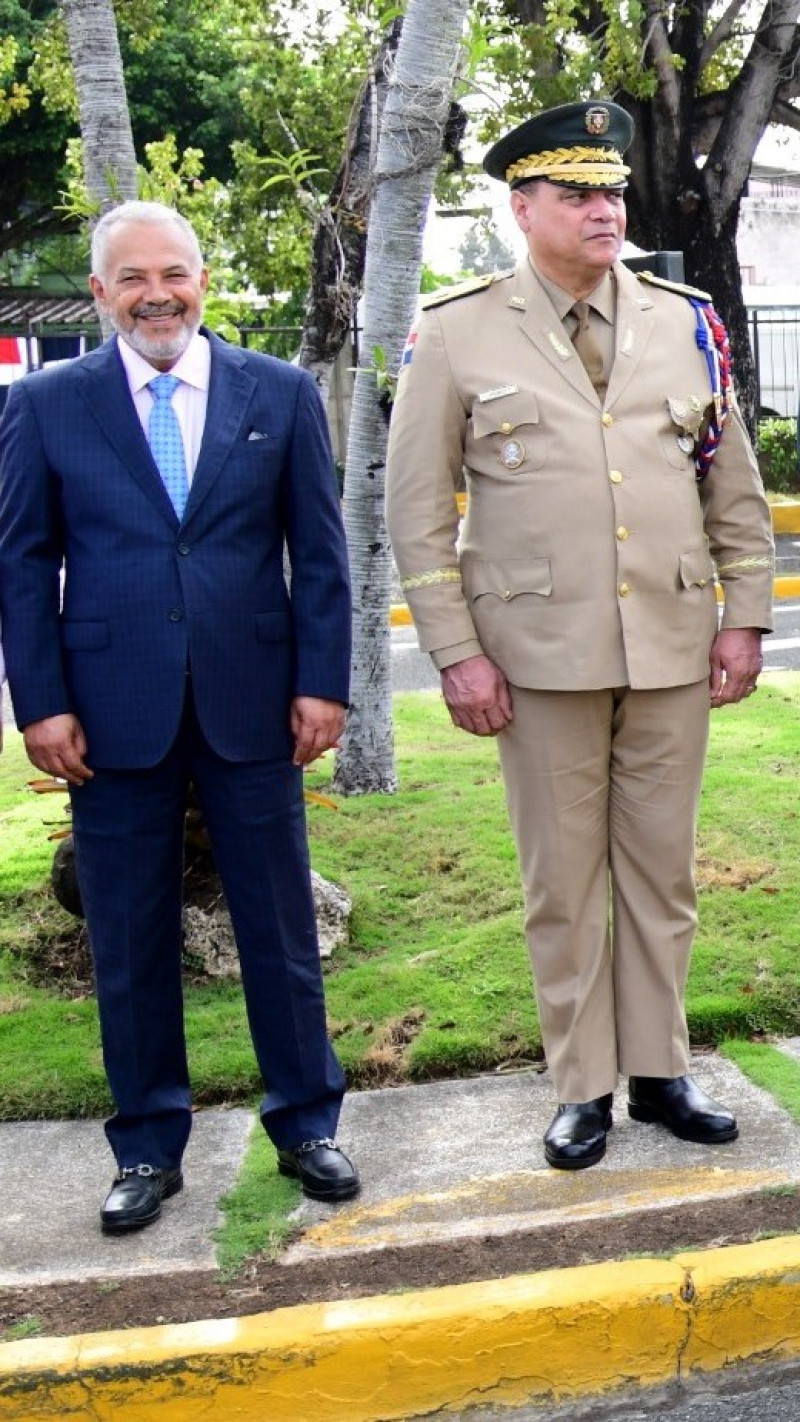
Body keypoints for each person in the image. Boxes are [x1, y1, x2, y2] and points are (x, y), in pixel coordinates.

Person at [386, 102, 774, 1171]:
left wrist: (743, 617)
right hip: (533, 659)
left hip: (669, 643)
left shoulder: (682, 317)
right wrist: (454, 652)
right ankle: (580, 1086)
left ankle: (657, 1070)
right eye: (576, 194)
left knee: (660, 873)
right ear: (522, 209)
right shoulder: (456, 327)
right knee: (561, 881)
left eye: (608, 192)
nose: (603, 210)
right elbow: (414, 508)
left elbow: (727, 486)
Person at [0, 200, 359, 1232]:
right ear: (101, 291)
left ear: (201, 280)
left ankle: (305, 1124)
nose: (156, 292)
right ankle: (148, 1146)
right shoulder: (47, 403)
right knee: (129, 936)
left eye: (174, 273)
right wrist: (45, 703)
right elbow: (22, 563)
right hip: (108, 717)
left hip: (255, 707)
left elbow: (321, 556)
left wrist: (321, 683)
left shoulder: (278, 393)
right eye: (132, 277)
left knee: (279, 928)